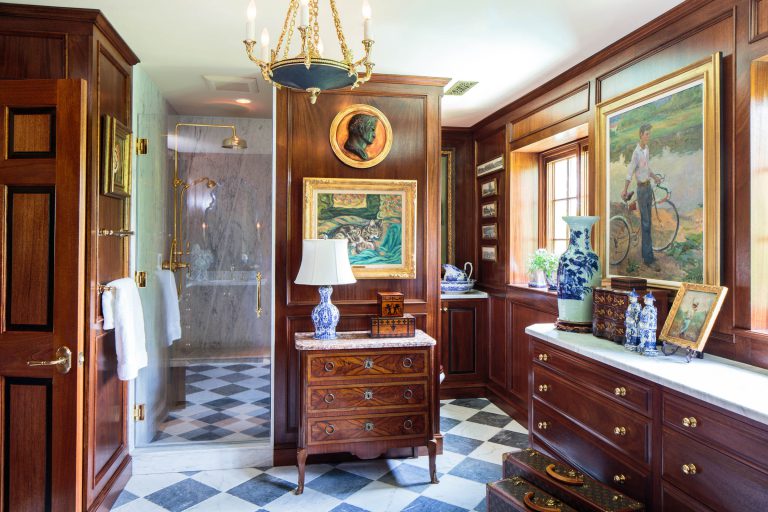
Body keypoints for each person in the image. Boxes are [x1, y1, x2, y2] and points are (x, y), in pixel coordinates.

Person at [621, 123, 662, 272]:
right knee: (645, 223)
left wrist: (655, 177)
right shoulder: (637, 152)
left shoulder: (646, 150)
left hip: (648, 187)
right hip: (641, 190)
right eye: (646, 134)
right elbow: (630, 171)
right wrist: (625, 189)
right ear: (641, 134)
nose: (648, 136)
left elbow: (646, 168)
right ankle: (648, 259)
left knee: (648, 223)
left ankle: (648, 254)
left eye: (649, 134)